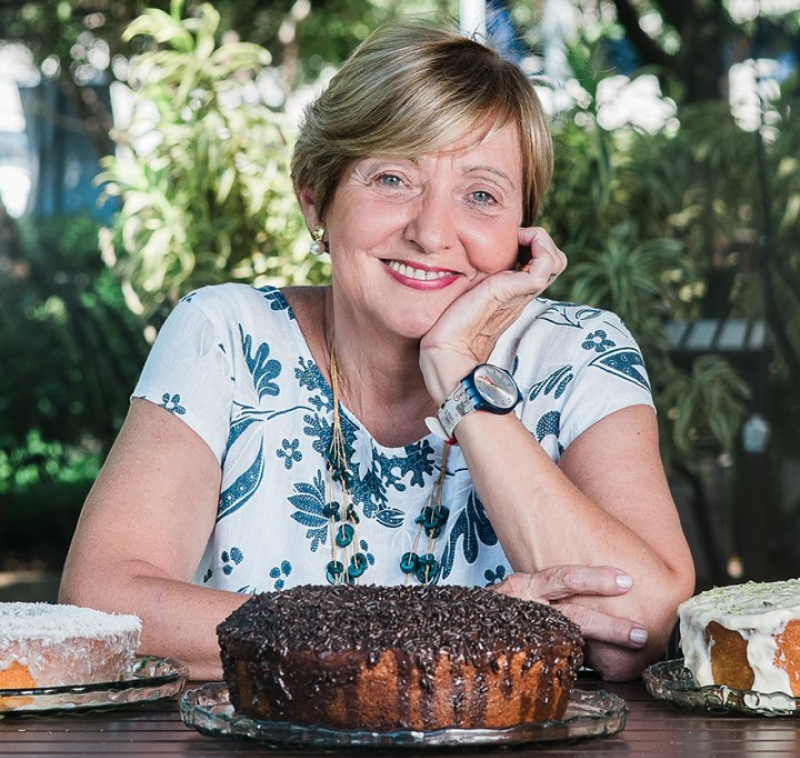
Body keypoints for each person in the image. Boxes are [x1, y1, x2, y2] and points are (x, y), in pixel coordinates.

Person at [60, 21, 695, 682]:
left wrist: (459, 375)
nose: (431, 231)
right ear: (317, 200)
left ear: (521, 234)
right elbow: (104, 609)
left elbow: (641, 623)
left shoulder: (578, 353)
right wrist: (433, 633)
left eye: (481, 195)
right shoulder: (224, 336)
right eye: (393, 178)